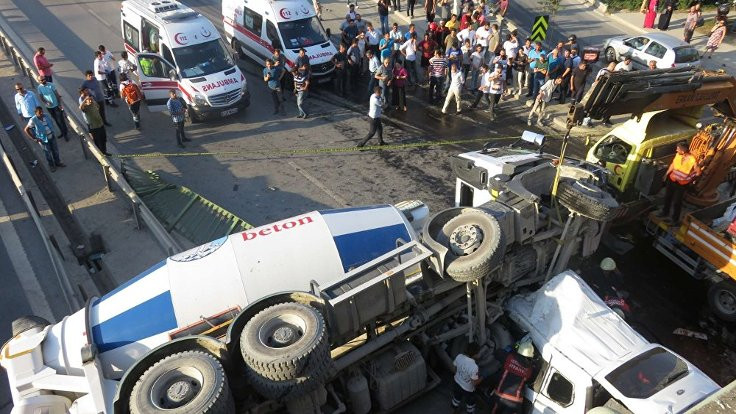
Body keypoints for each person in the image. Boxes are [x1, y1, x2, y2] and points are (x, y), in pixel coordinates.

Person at [659, 141, 701, 223]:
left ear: (683, 150)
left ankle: (674, 219)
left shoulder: (692, 160)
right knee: (667, 197)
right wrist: (666, 174)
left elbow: (698, 172)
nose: (676, 150)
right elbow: (673, 165)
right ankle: (665, 213)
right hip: (672, 180)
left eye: (678, 149)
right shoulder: (678, 155)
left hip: (681, 184)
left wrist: (690, 178)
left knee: (677, 202)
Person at [489, 341, 534, 414]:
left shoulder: (509, 358)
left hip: (500, 396)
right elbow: (528, 379)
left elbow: (497, 353)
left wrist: (511, 349)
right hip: (515, 401)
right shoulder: (529, 370)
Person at [24, 106, 65, 172]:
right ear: (36, 113)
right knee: (48, 153)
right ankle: (51, 165)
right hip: (43, 140)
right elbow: (26, 129)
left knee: (55, 150)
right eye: (40, 112)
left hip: (51, 136)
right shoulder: (33, 120)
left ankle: (58, 162)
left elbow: (51, 123)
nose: (41, 113)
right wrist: (34, 138)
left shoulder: (46, 116)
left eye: (42, 111)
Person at [450, 342, 481, 414]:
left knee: (456, 397)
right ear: (475, 354)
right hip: (467, 389)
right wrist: (483, 377)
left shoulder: (459, 356)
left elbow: (453, 369)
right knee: (470, 402)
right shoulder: (474, 367)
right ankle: (470, 412)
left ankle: (454, 409)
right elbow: (474, 383)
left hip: (456, 382)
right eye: (478, 353)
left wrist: (460, 375)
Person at [36, 75, 68, 141]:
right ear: (39, 81)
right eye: (41, 80)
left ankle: (65, 134)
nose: (43, 81)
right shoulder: (39, 88)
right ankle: (63, 132)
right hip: (49, 107)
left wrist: (59, 104)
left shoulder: (51, 85)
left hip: (56, 106)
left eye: (44, 79)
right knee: (56, 120)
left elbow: (57, 94)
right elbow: (41, 97)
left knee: (60, 120)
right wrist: (46, 102)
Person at [79, 90, 109, 155]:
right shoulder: (85, 108)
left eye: (89, 99)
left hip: (100, 124)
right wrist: (85, 100)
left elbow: (98, 106)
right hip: (94, 127)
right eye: (88, 100)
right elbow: (80, 107)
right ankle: (100, 155)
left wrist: (92, 100)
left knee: (103, 139)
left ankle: (104, 152)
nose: (89, 100)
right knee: (97, 142)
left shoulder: (93, 104)